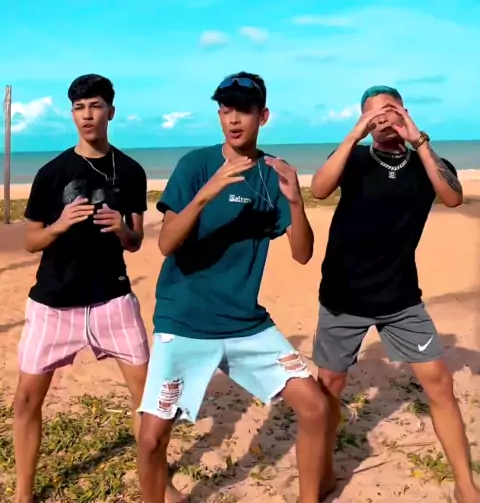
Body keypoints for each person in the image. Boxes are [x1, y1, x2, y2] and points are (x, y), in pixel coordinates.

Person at [137, 72, 330, 503]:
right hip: (184, 319)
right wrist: (206, 193)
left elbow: (302, 254)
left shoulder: (272, 173)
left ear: (263, 116)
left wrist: (295, 201)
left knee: (315, 407)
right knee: (151, 439)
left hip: (245, 323)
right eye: (225, 110)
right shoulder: (196, 165)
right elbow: (166, 244)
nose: (234, 120)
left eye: (243, 110)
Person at [311, 85, 480, 503]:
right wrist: (355, 134)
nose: (383, 120)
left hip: (401, 298)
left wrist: (418, 139)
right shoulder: (353, 158)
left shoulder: (427, 161)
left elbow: (453, 197)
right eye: (373, 115)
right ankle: (325, 469)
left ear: (405, 112)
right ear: (363, 122)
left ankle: (465, 485)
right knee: (329, 385)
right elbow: (318, 189)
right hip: (343, 294)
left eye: (390, 111)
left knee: (439, 383)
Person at [13, 74, 150, 503]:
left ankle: (156, 484)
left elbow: (136, 241)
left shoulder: (131, 171)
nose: (87, 115)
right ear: (72, 114)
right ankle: (23, 494)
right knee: (26, 401)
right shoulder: (51, 173)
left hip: (113, 300)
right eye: (79, 107)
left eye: (95, 105)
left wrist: (121, 229)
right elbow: (31, 240)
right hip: (54, 303)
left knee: (146, 401)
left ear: (111, 111)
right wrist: (59, 225)